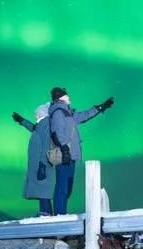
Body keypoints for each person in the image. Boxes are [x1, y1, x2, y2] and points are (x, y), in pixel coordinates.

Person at [46, 86, 114, 215]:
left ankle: (61, 213)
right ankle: (60, 215)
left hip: (70, 155)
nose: (69, 97)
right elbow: (56, 132)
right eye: (67, 95)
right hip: (64, 155)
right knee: (62, 187)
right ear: (61, 98)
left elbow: (84, 116)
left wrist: (100, 107)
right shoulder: (58, 112)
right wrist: (64, 149)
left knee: (67, 188)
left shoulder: (67, 112)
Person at [12, 104, 55, 215]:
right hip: (40, 162)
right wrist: (22, 121)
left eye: (36, 113)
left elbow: (46, 145)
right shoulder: (42, 124)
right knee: (41, 188)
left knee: (43, 188)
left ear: (41, 114)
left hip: (42, 162)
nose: (35, 115)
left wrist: (42, 164)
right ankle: (45, 211)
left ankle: (45, 212)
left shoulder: (45, 124)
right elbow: (34, 128)